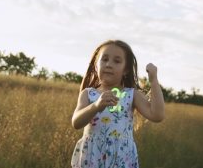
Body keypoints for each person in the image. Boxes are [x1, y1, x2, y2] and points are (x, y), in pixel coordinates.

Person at [71, 39, 165, 168]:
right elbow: (76, 122)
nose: (109, 64)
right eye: (104, 59)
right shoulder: (88, 94)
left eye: (117, 61)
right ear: (96, 65)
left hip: (121, 158)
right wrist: (96, 106)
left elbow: (157, 115)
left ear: (126, 69)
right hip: (92, 158)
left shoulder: (131, 95)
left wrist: (153, 80)